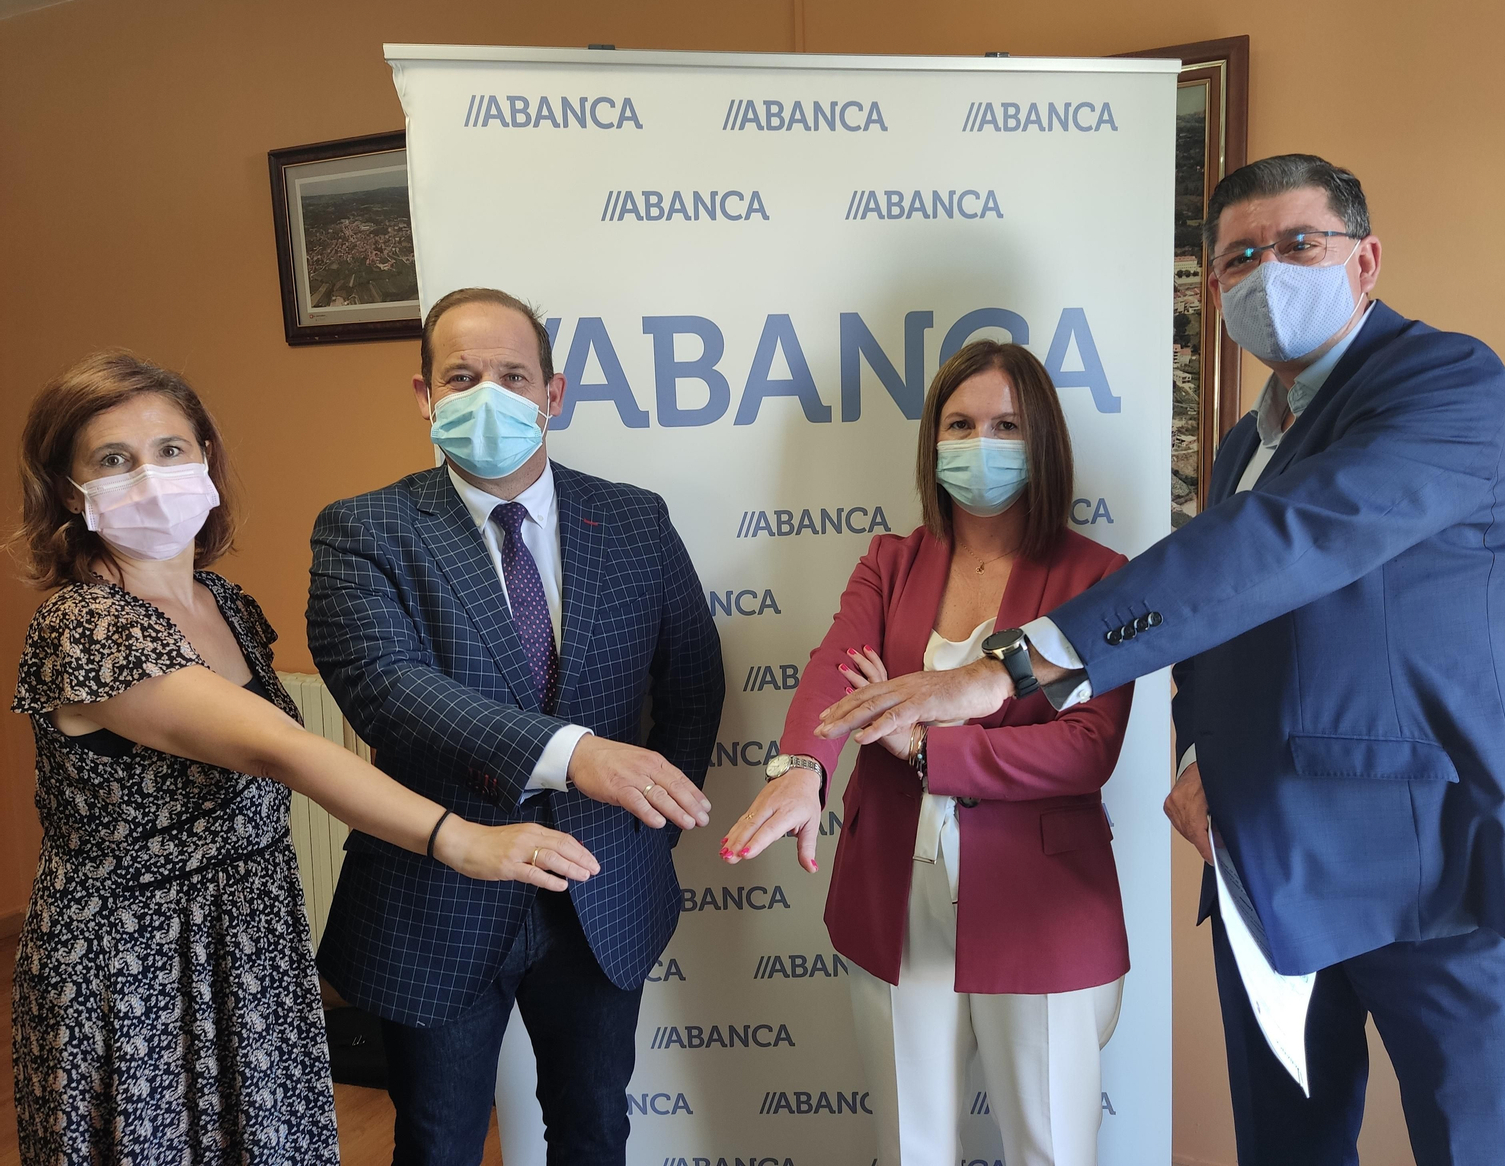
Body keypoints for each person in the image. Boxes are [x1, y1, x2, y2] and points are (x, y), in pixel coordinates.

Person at [816, 155, 1505, 1166]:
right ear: (1212, 293)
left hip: (1434, 865)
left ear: (1367, 260)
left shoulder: (1447, 385)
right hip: (1270, 864)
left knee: (1480, 1148)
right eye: (1237, 259)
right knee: (1284, 1150)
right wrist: (1188, 760)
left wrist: (1012, 667)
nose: (1266, 275)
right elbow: (1226, 630)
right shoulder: (1246, 442)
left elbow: (1282, 546)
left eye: (1297, 245)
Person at [8, 352, 596, 1166]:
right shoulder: (85, 625)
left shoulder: (224, 603)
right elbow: (282, 749)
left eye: (171, 450)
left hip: (250, 939)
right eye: (115, 460)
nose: (150, 476)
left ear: (206, 458)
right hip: (136, 966)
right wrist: (463, 839)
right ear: (73, 494)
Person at [306, 287, 723, 1166]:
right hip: (438, 895)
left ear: (553, 394)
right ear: (423, 396)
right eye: (460, 376)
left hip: (602, 890)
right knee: (437, 1140)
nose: (486, 393)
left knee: (595, 1129)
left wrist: (649, 820)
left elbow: (690, 682)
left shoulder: (636, 519)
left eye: (511, 374)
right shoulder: (363, 529)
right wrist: (579, 758)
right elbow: (386, 689)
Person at [722, 341, 1134, 1166]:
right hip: (894, 897)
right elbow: (837, 671)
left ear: (1043, 439)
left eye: (1007, 425)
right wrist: (804, 769)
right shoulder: (893, 562)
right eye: (961, 423)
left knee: (1051, 1151)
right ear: (933, 440)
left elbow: (1082, 751)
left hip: (1041, 904)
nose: (981, 442)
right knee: (911, 1149)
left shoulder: (1098, 576)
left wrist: (916, 742)